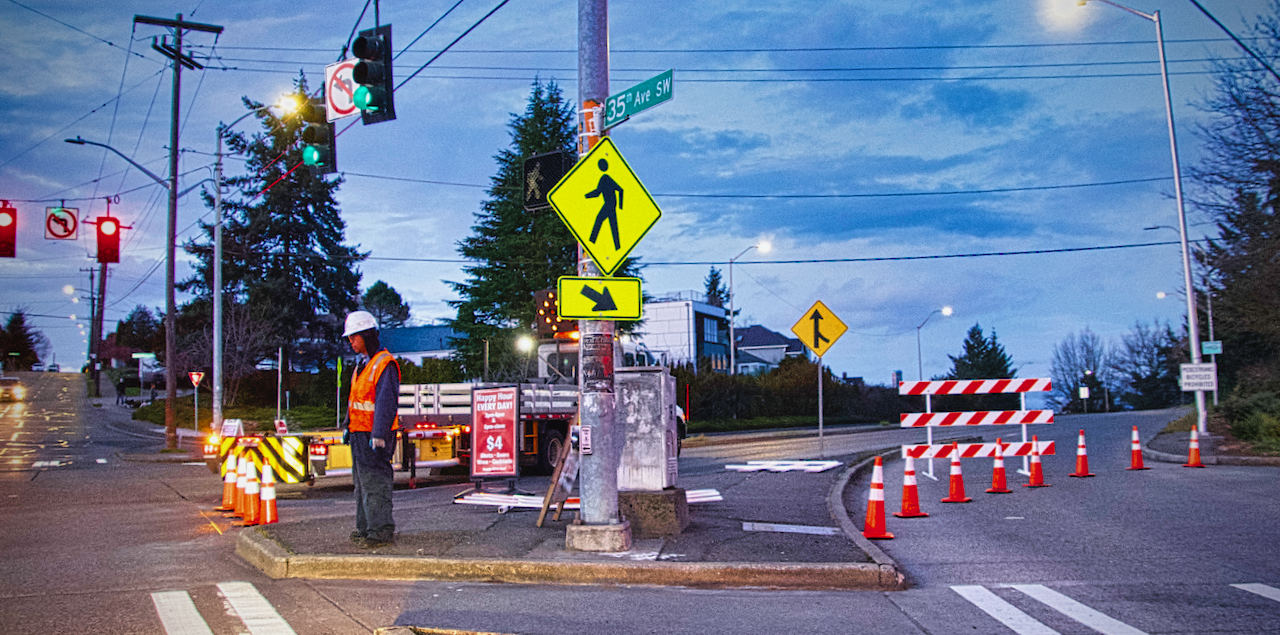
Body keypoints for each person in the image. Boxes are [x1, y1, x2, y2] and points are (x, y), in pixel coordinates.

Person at [343, 310, 400, 548]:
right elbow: (354, 399)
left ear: (366, 335)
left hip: (373, 436)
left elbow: (386, 403)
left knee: (375, 483)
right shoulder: (363, 365)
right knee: (363, 484)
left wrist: (378, 434)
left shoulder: (383, 364)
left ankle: (380, 530)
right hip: (360, 434)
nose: (351, 341)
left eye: (354, 337)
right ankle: (366, 528)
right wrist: (348, 425)